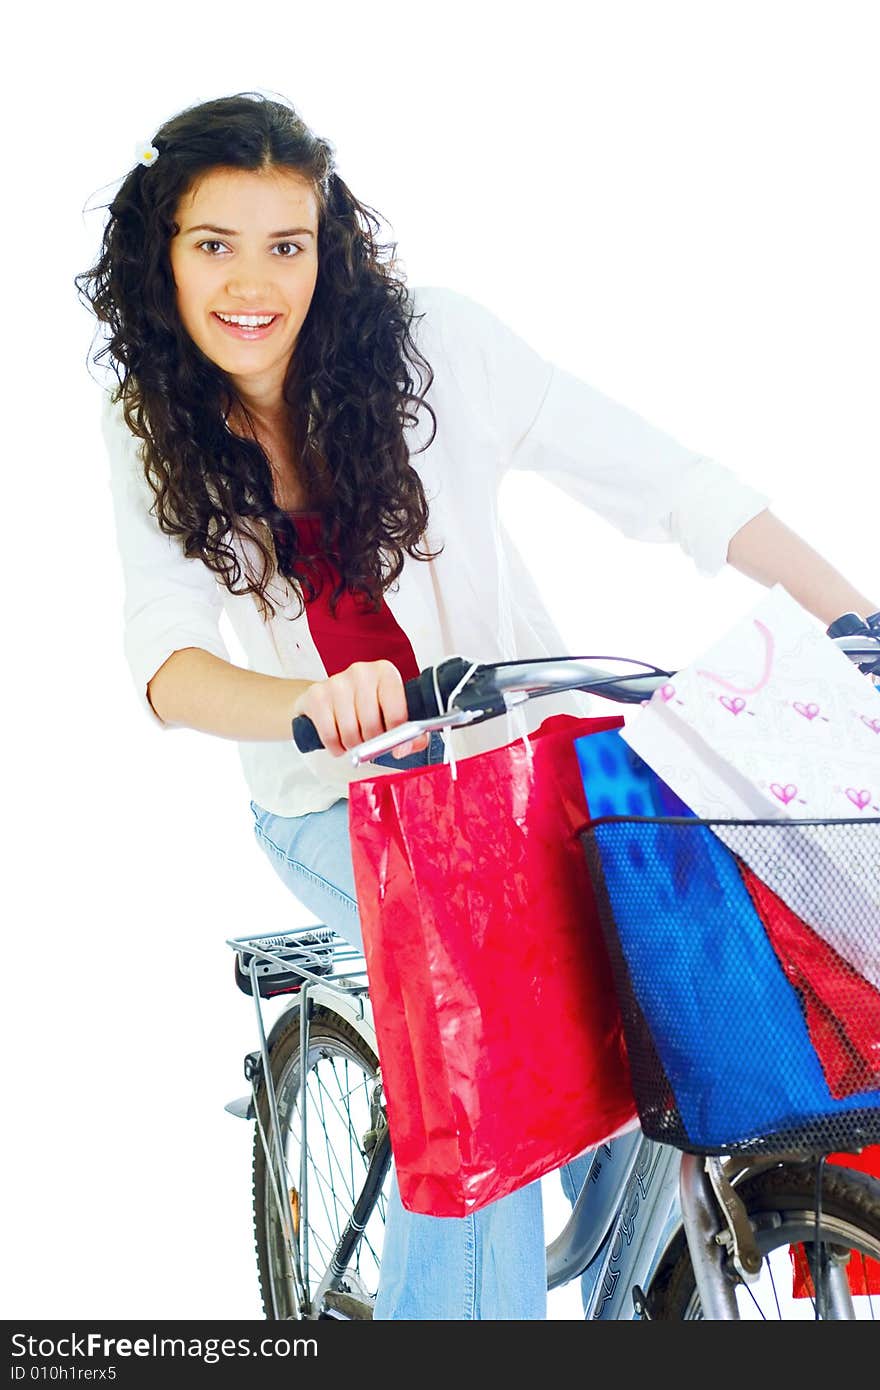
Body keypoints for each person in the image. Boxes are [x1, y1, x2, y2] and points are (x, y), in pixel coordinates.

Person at [77, 91, 879, 1321]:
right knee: (486, 1075)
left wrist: (848, 617)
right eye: (213, 243)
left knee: (684, 992)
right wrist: (309, 703)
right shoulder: (156, 430)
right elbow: (167, 664)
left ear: (325, 251)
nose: (253, 282)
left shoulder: (434, 345)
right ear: (161, 254)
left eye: (285, 245)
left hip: (522, 763)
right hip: (338, 803)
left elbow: (666, 480)